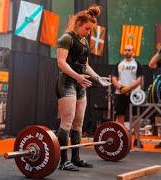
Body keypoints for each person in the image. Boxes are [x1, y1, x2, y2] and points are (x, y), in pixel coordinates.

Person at [55, 5, 111, 171]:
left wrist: (98, 78)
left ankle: (76, 158)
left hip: (80, 84)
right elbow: (61, 62)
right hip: (67, 83)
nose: (88, 32)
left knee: (78, 123)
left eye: (91, 30)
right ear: (78, 23)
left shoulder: (85, 42)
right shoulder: (66, 38)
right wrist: (77, 77)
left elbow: (85, 66)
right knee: (67, 121)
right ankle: (63, 161)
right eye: (87, 28)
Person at [111, 44, 144, 148]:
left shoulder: (137, 64)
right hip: (120, 93)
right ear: (123, 51)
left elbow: (139, 80)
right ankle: (120, 139)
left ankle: (137, 139)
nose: (127, 52)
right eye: (125, 50)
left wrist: (128, 88)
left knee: (136, 117)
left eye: (129, 50)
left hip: (134, 94)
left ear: (133, 51)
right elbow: (114, 79)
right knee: (120, 116)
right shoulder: (119, 64)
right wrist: (121, 88)